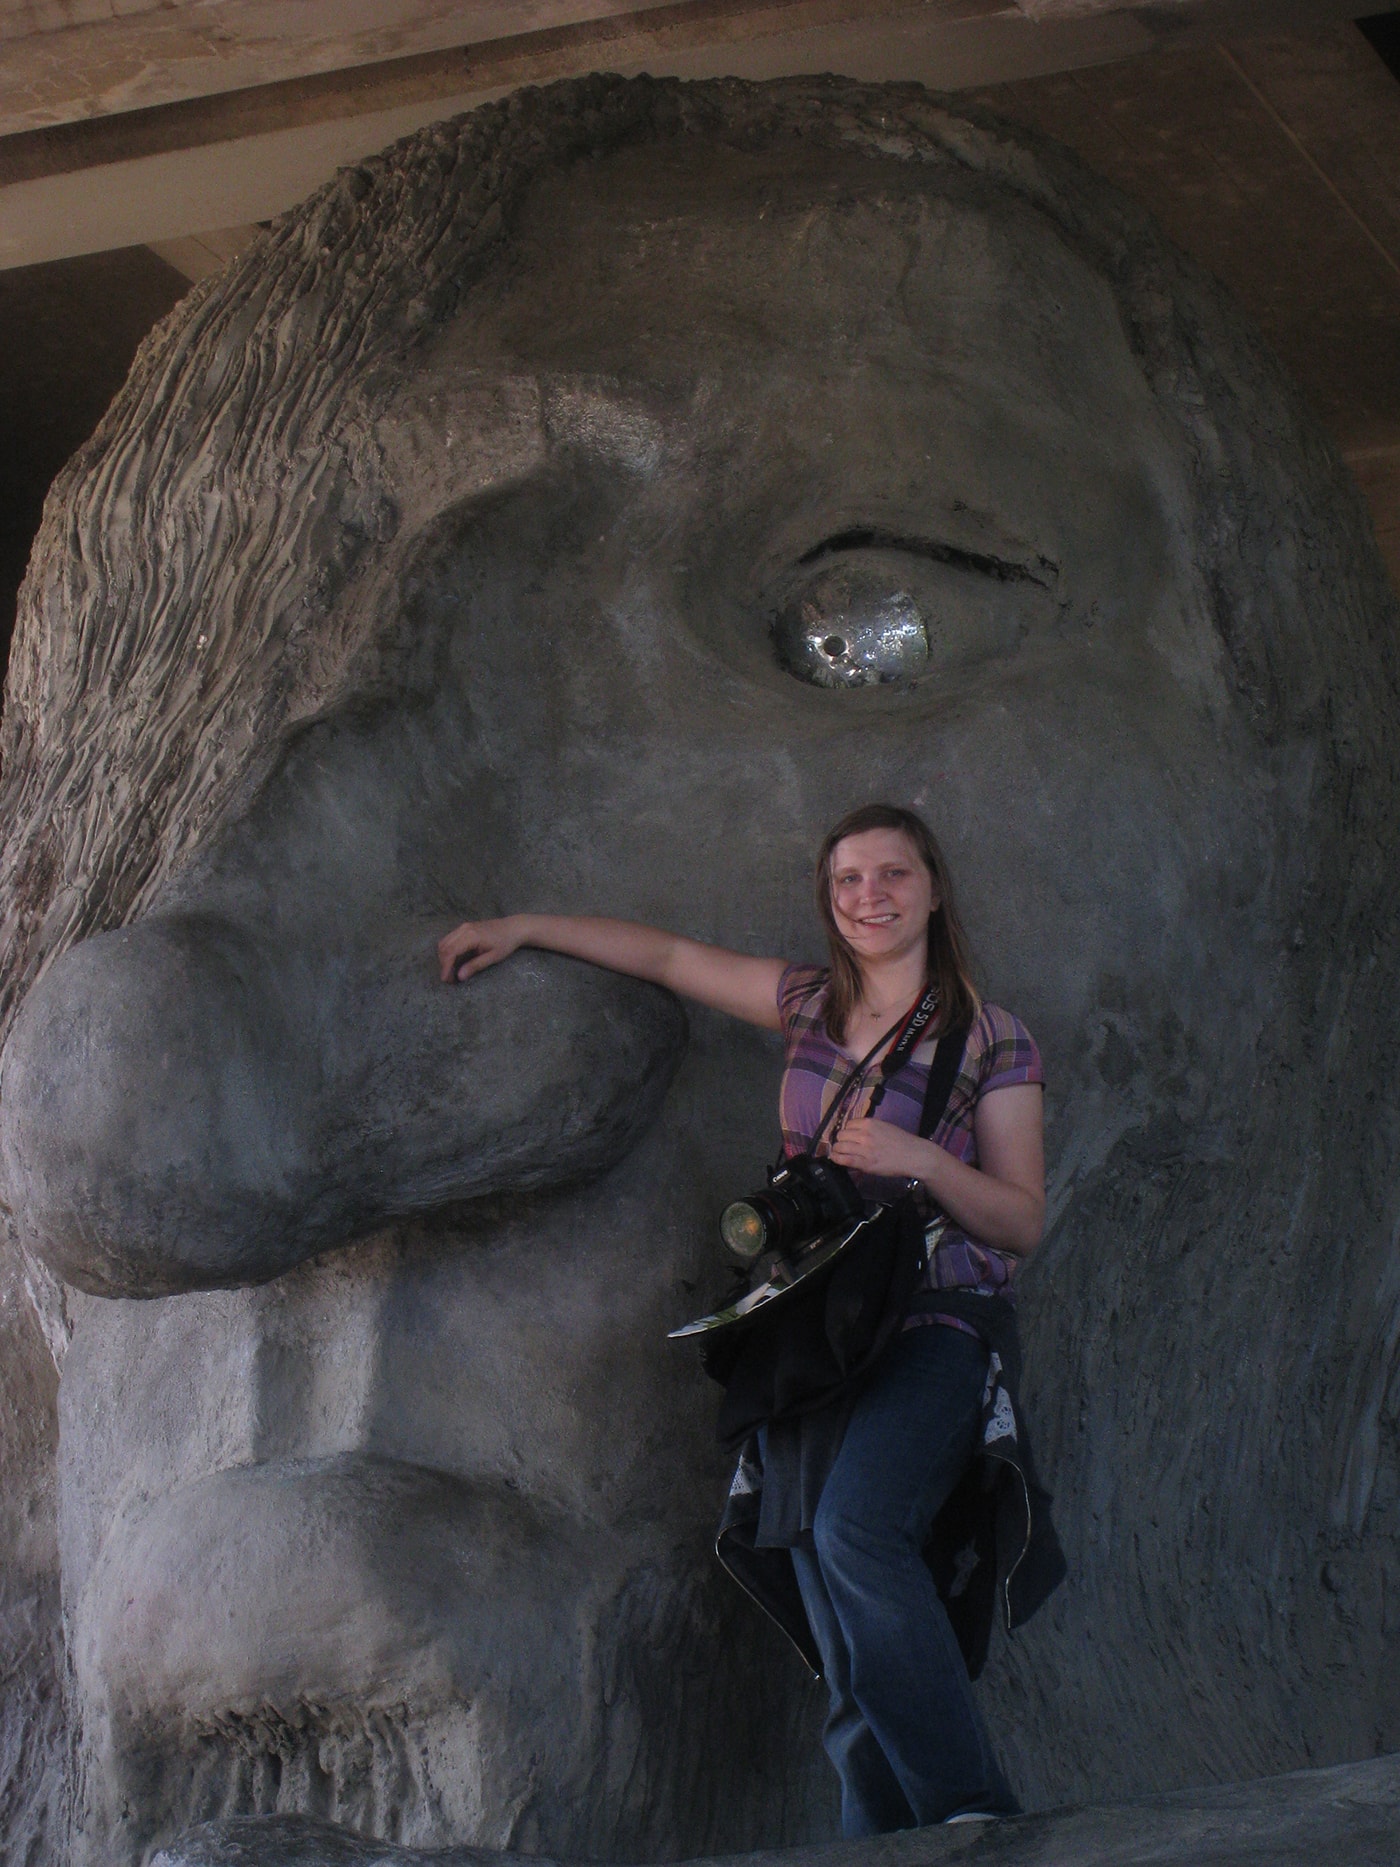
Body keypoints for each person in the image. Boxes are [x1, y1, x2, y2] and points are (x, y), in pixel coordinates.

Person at [437, 801, 1050, 1833]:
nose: (869, 897)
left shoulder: (991, 1037)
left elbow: (1022, 1221)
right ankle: (877, 1835)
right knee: (816, 1569)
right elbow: (670, 955)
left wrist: (924, 1161)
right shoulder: (809, 1001)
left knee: (858, 1528)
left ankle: (970, 1814)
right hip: (811, 1329)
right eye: (847, 879)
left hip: (937, 1322)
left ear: (933, 888)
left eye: (892, 875)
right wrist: (527, 927)